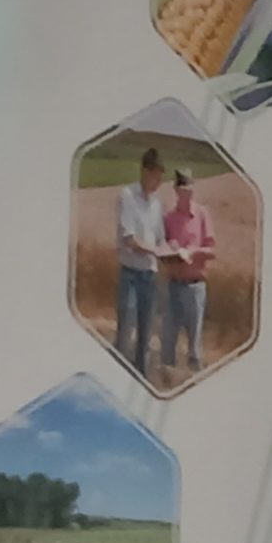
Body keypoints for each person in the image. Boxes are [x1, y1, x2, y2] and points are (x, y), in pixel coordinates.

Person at [112, 148, 175, 378]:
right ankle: (116, 376)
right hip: (130, 274)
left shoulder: (157, 204)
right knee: (125, 331)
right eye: (156, 176)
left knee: (145, 336)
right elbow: (129, 240)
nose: (159, 182)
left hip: (149, 275)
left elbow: (160, 238)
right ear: (145, 172)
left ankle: (140, 378)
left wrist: (172, 250)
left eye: (161, 177)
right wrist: (157, 251)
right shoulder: (127, 195)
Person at [160, 170, 215, 377]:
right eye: (183, 190)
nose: (187, 194)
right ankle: (166, 380)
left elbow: (212, 251)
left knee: (194, 344)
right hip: (174, 285)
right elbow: (161, 248)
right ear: (176, 190)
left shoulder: (202, 214)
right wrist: (172, 252)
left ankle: (195, 380)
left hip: (195, 286)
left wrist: (193, 252)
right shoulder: (169, 218)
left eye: (190, 190)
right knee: (168, 339)